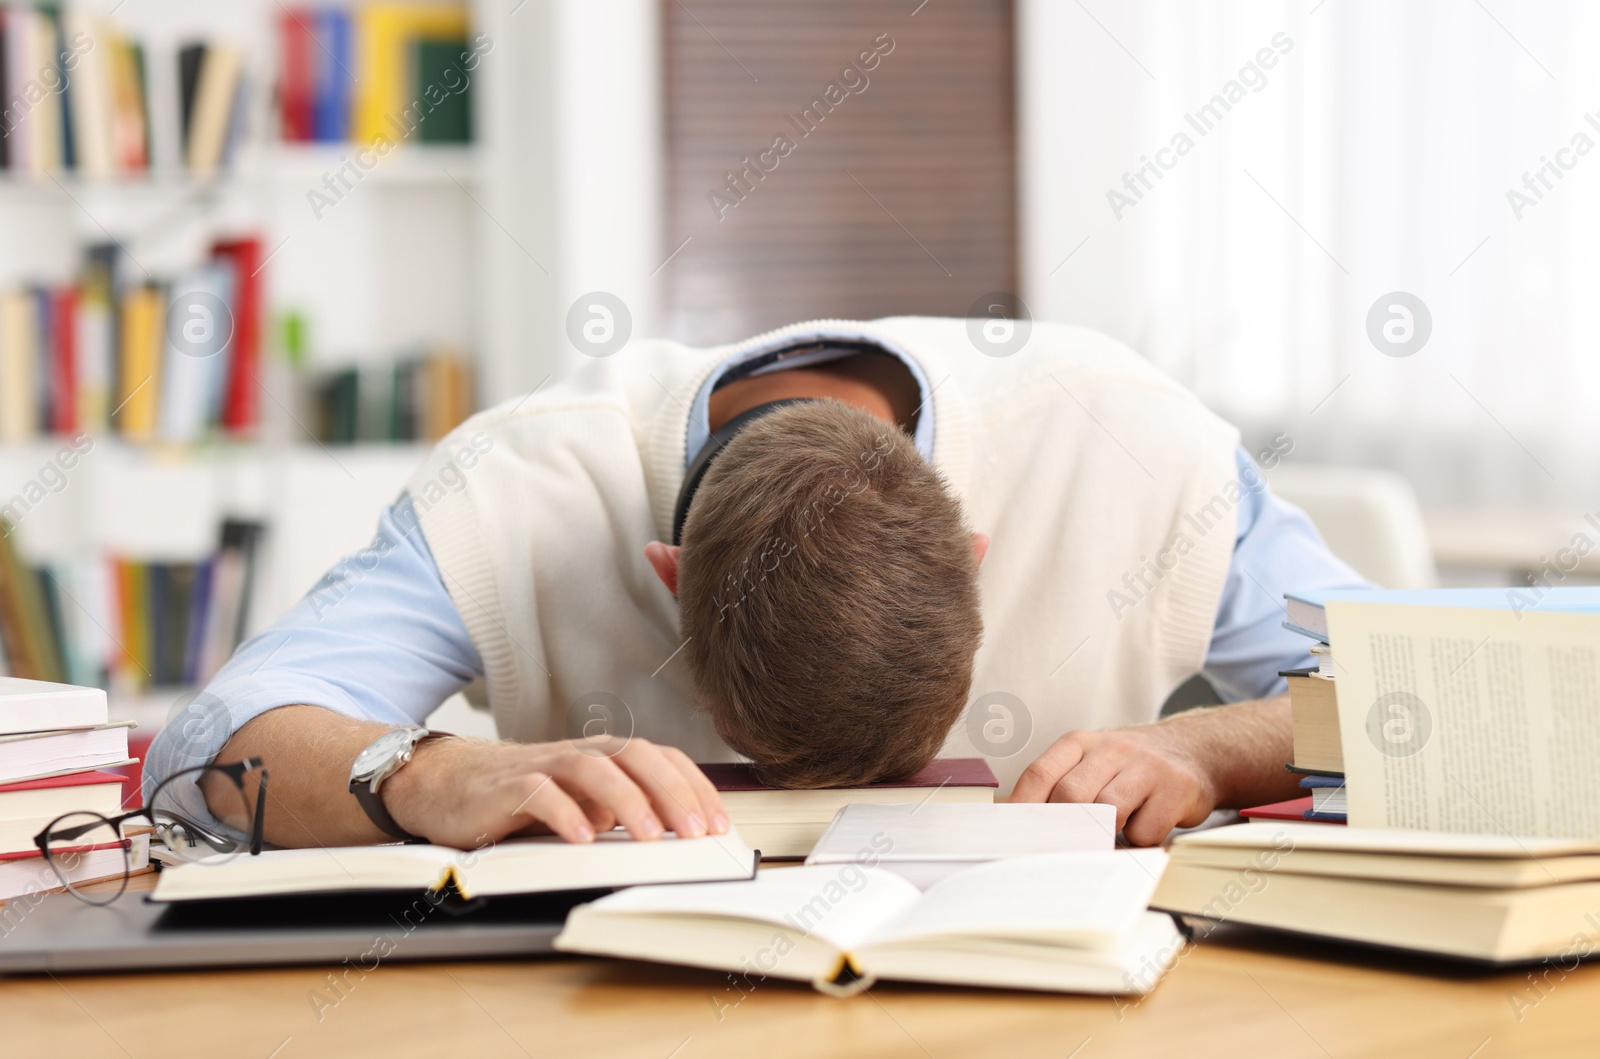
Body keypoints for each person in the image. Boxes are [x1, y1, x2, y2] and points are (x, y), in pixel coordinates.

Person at [146, 316, 1365, 850]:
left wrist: (1210, 747)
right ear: (668, 580)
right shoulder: (515, 483)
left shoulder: (1131, 441)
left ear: (973, 557)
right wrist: (433, 770)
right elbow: (196, 755)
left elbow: (1448, 686)